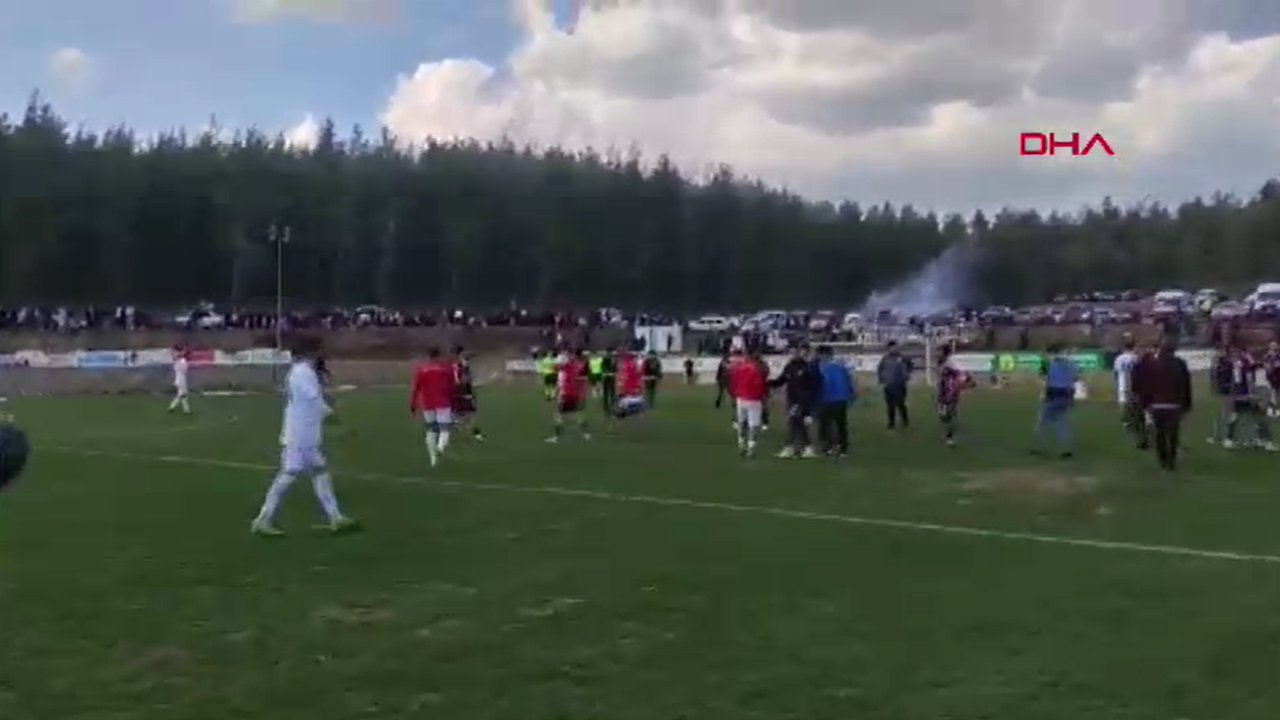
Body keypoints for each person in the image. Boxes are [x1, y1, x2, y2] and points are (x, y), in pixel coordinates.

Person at [251, 336, 355, 536]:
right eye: (319, 350)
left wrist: (329, 408)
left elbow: (314, 398)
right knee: (289, 474)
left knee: (319, 471)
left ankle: (336, 517)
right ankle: (262, 519)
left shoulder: (304, 372)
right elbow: (314, 400)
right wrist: (333, 416)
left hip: (307, 433)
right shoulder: (302, 373)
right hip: (299, 435)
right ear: (312, 352)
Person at [1133, 335, 1193, 471]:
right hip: (1174, 405)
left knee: (1159, 432)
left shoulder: (1150, 363)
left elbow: (1141, 384)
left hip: (1156, 405)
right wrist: (1186, 405)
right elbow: (1185, 386)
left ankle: (1163, 458)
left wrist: (1145, 403)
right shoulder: (1179, 364)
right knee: (1172, 433)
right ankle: (1171, 460)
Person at [1218, 343, 1276, 450]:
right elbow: (1246, 378)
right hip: (1246, 394)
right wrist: (1250, 393)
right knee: (1256, 417)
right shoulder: (1242, 363)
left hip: (1243, 394)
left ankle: (1230, 440)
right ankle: (1265, 442)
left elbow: (1240, 379)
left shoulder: (1240, 362)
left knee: (1247, 417)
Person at [771, 343, 821, 458]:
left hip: (802, 400)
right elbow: (782, 380)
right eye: (790, 352)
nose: (792, 354)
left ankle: (790, 448)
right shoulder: (790, 366)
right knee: (798, 424)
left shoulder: (807, 367)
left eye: (794, 352)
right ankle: (807, 448)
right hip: (792, 399)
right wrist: (769, 384)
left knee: (793, 422)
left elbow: (815, 385)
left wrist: (809, 401)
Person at [410, 348, 457, 467]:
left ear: (429, 357)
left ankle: (433, 459)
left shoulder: (422, 370)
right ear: (439, 356)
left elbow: (416, 388)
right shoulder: (446, 369)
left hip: (427, 404)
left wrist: (413, 405)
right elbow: (452, 387)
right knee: (444, 429)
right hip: (443, 403)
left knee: (431, 431)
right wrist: (453, 402)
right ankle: (440, 448)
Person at [1034, 344, 1078, 458]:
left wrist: (1043, 394)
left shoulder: (1048, 364)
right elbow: (1075, 378)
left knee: (1043, 421)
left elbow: (1044, 379)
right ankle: (1066, 448)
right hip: (1067, 395)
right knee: (1060, 420)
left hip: (1054, 394)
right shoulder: (1070, 363)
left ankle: (1038, 447)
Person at [815, 345, 855, 457]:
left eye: (818, 354)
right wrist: (850, 395)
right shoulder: (840, 367)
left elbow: (819, 385)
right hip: (839, 400)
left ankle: (829, 447)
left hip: (827, 400)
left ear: (823, 355)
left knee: (827, 424)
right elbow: (849, 382)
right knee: (839, 425)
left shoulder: (820, 368)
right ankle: (840, 448)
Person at [727, 347, 767, 457]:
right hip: (753, 399)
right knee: (754, 425)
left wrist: (734, 395)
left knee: (742, 422)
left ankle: (741, 444)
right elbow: (760, 385)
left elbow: (733, 382)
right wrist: (763, 396)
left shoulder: (739, 367)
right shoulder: (758, 369)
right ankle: (751, 448)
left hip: (741, 398)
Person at [549, 348, 591, 442]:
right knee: (578, 415)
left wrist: (557, 393)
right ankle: (586, 435)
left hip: (565, 395)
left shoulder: (564, 370)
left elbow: (556, 369)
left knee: (558, 415)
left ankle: (556, 437)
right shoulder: (574, 367)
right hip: (574, 394)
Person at [1113, 335, 1146, 448]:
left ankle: (1133, 433)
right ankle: (1141, 436)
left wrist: (1117, 386)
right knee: (1138, 414)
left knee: (1125, 414)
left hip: (1123, 388)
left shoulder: (1118, 359)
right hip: (1136, 389)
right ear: (1133, 347)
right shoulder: (1136, 358)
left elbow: (1115, 374)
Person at [935, 345, 973, 447]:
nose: (938, 353)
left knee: (949, 413)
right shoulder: (942, 362)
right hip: (944, 390)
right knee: (944, 412)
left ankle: (949, 436)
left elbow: (962, 374)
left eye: (940, 351)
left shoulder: (951, 363)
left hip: (950, 391)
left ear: (944, 352)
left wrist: (966, 381)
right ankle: (949, 425)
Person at [876, 341, 912, 429]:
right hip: (888, 385)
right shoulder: (885, 358)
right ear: (889, 348)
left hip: (899, 384)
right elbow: (880, 369)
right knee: (890, 405)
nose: (894, 349)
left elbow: (910, 365)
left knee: (901, 404)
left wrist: (906, 375)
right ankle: (891, 423)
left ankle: (905, 421)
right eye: (892, 347)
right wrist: (881, 379)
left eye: (895, 347)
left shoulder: (903, 357)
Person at [451, 347, 484, 442]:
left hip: (462, 395)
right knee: (468, 417)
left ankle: (476, 434)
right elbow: (462, 382)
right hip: (462, 395)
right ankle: (477, 435)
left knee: (466, 417)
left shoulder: (460, 367)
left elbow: (466, 381)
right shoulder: (459, 368)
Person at [615, 347, 647, 418]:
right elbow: (638, 374)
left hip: (630, 385)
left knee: (626, 400)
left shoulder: (627, 364)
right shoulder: (633, 364)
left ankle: (628, 411)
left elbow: (625, 375)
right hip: (632, 386)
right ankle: (632, 410)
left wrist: (621, 381)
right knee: (630, 399)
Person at [168, 346, 192, 415]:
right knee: (183, 395)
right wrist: (182, 352)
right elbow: (177, 356)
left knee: (182, 395)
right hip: (180, 380)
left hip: (180, 379)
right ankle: (186, 410)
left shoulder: (180, 361)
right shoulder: (182, 361)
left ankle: (173, 407)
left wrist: (182, 352)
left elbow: (177, 356)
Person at [599, 347, 618, 416]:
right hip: (606, 378)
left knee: (612, 393)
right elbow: (602, 367)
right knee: (606, 393)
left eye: (611, 352)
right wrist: (606, 372)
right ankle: (606, 407)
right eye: (609, 352)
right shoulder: (604, 359)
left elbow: (616, 369)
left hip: (612, 378)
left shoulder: (614, 360)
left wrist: (614, 372)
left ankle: (612, 406)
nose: (610, 354)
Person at [1264, 340, 1280, 417]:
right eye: (1272, 345)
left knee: (1276, 392)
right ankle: (1272, 408)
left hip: (1278, 375)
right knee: (1272, 392)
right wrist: (1270, 366)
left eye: (1275, 345)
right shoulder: (1267, 356)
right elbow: (1266, 366)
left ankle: (1276, 407)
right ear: (1269, 346)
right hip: (1271, 376)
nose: (1274, 347)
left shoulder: (1278, 355)